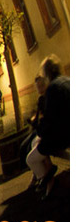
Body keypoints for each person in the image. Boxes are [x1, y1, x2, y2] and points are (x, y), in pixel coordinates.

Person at [26, 55, 70, 200]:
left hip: (63, 134)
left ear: (46, 73)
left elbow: (51, 120)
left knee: (31, 159)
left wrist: (39, 130)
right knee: (36, 143)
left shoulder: (53, 88)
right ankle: (46, 176)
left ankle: (46, 178)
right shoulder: (67, 80)